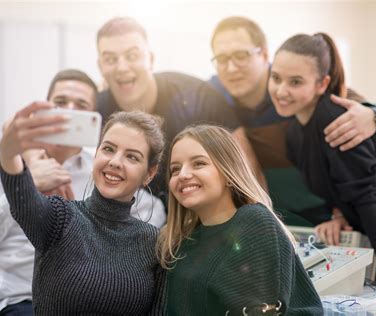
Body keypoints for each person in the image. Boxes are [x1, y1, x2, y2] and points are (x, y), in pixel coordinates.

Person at [0, 70, 166, 315]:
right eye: (60, 103)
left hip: (23, 299)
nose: (68, 112)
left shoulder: (135, 212)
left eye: (80, 106)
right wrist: (26, 177)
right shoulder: (7, 159)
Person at [267, 32, 376, 293]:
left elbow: (366, 197)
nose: (281, 90)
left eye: (295, 82)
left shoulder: (335, 120)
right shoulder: (295, 132)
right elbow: (336, 183)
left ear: (321, 83)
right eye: (276, 78)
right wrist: (337, 214)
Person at [208, 16, 376, 222]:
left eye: (241, 55)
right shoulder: (212, 98)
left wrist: (375, 116)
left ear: (264, 54)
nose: (231, 68)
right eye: (222, 59)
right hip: (284, 223)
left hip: (342, 216)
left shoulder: (306, 91)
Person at [96, 16, 265, 204]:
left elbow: (247, 175)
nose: (122, 67)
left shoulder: (198, 97)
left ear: (150, 59)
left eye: (132, 56)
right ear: (100, 66)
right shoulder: (95, 110)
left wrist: (258, 223)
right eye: (110, 59)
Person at [158, 125, 323, 315]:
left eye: (199, 163)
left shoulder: (253, 221)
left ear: (229, 173)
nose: (183, 175)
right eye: (175, 169)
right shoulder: (183, 240)